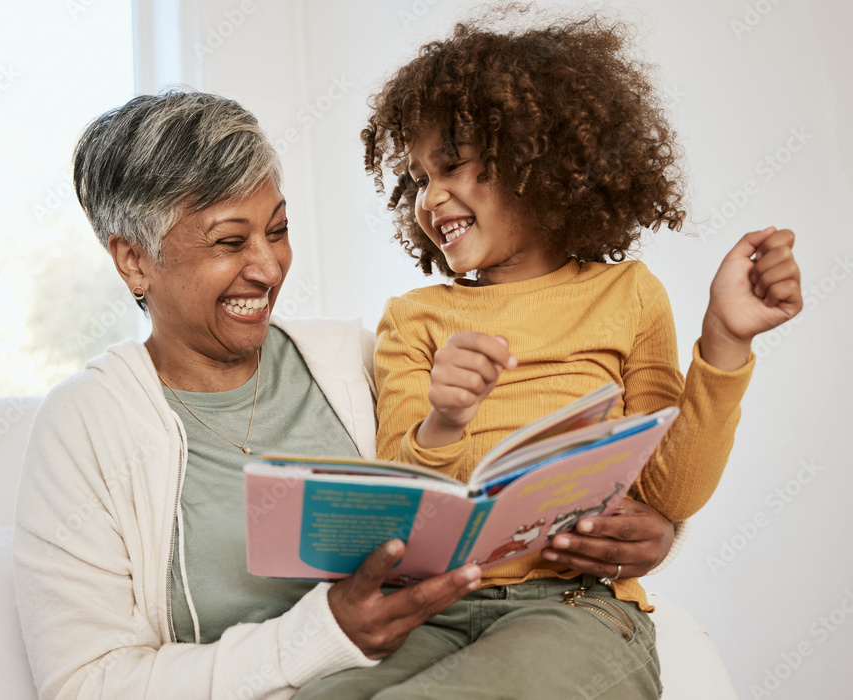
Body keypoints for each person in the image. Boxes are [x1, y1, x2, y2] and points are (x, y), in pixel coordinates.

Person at [13, 90, 679, 700]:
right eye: (229, 241)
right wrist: (320, 632)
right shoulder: (88, 426)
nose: (269, 267)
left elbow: (511, 493)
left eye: (277, 230)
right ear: (133, 260)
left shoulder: (353, 361)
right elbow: (84, 685)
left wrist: (648, 534)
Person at [294, 9, 803, 700]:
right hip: (433, 610)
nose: (429, 197)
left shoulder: (627, 294)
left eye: (451, 166)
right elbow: (403, 504)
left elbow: (669, 495)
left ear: (539, 159)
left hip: (572, 608)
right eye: (417, 178)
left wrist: (726, 341)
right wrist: (444, 420)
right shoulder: (414, 319)